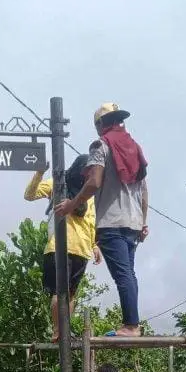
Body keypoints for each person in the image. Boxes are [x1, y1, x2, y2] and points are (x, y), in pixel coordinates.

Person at [55, 103, 148, 337]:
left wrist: (71, 205)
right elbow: (144, 190)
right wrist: (143, 222)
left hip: (111, 222)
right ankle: (133, 324)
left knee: (123, 275)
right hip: (133, 222)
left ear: (99, 125)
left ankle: (131, 326)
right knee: (129, 273)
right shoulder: (135, 148)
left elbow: (94, 182)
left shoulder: (101, 145)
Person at [24, 157, 101, 341]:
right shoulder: (59, 184)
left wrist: (95, 245)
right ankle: (58, 331)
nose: (89, 175)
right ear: (80, 169)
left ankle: (65, 330)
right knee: (60, 292)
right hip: (59, 246)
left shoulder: (89, 194)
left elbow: (91, 222)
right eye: (87, 171)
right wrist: (40, 172)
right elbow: (29, 195)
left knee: (71, 294)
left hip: (82, 250)